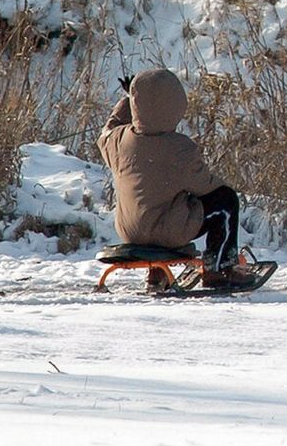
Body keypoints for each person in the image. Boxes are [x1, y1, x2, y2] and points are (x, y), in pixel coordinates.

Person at [99, 68, 263, 290]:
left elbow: (108, 129)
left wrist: (129, 100)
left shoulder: (117, 140)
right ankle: (220, 268)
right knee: (226, 201)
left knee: (157, 202)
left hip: (130, 231)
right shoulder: (180, 148)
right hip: (167, 232)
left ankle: (157, 273)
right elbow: (206, 186)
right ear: (175, 104)